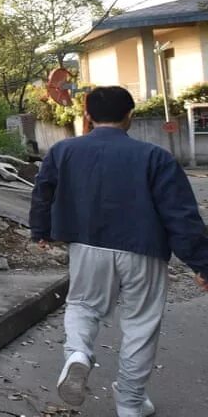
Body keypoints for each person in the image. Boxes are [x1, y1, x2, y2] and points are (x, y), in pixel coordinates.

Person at [30, 85, 208, 416]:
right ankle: (129, 401)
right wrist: (202, 263)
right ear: (130, 116)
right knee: (140, 323)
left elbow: (43, 193)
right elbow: (181, 216)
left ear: (87, 116)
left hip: (86, 246)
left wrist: (40, 231)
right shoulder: (156, 157)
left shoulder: (63, 151)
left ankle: (78, 354)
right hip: (144, 248)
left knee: (83, 306)